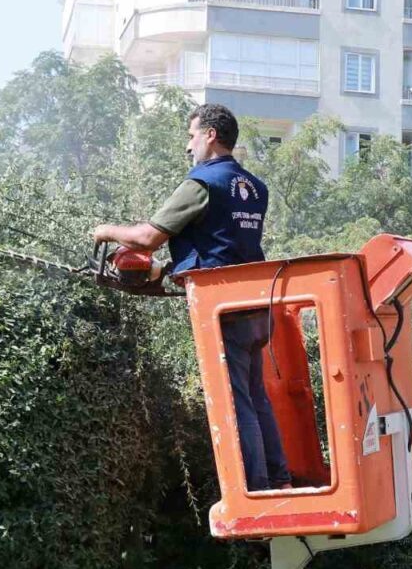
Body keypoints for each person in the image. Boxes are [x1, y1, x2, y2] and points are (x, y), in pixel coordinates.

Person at [92, 103, 291, 492]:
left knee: (238, 401)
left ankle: (260, 490)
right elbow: (223, 245)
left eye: (191, 136)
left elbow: (148, 238)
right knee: (256, 395)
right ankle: (279, 479)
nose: (189, 146)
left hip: (224, 307)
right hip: (256, 305)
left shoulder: (202, 183)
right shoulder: (254, 188)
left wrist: (106, 230)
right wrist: (166, 271)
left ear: (211, 135)